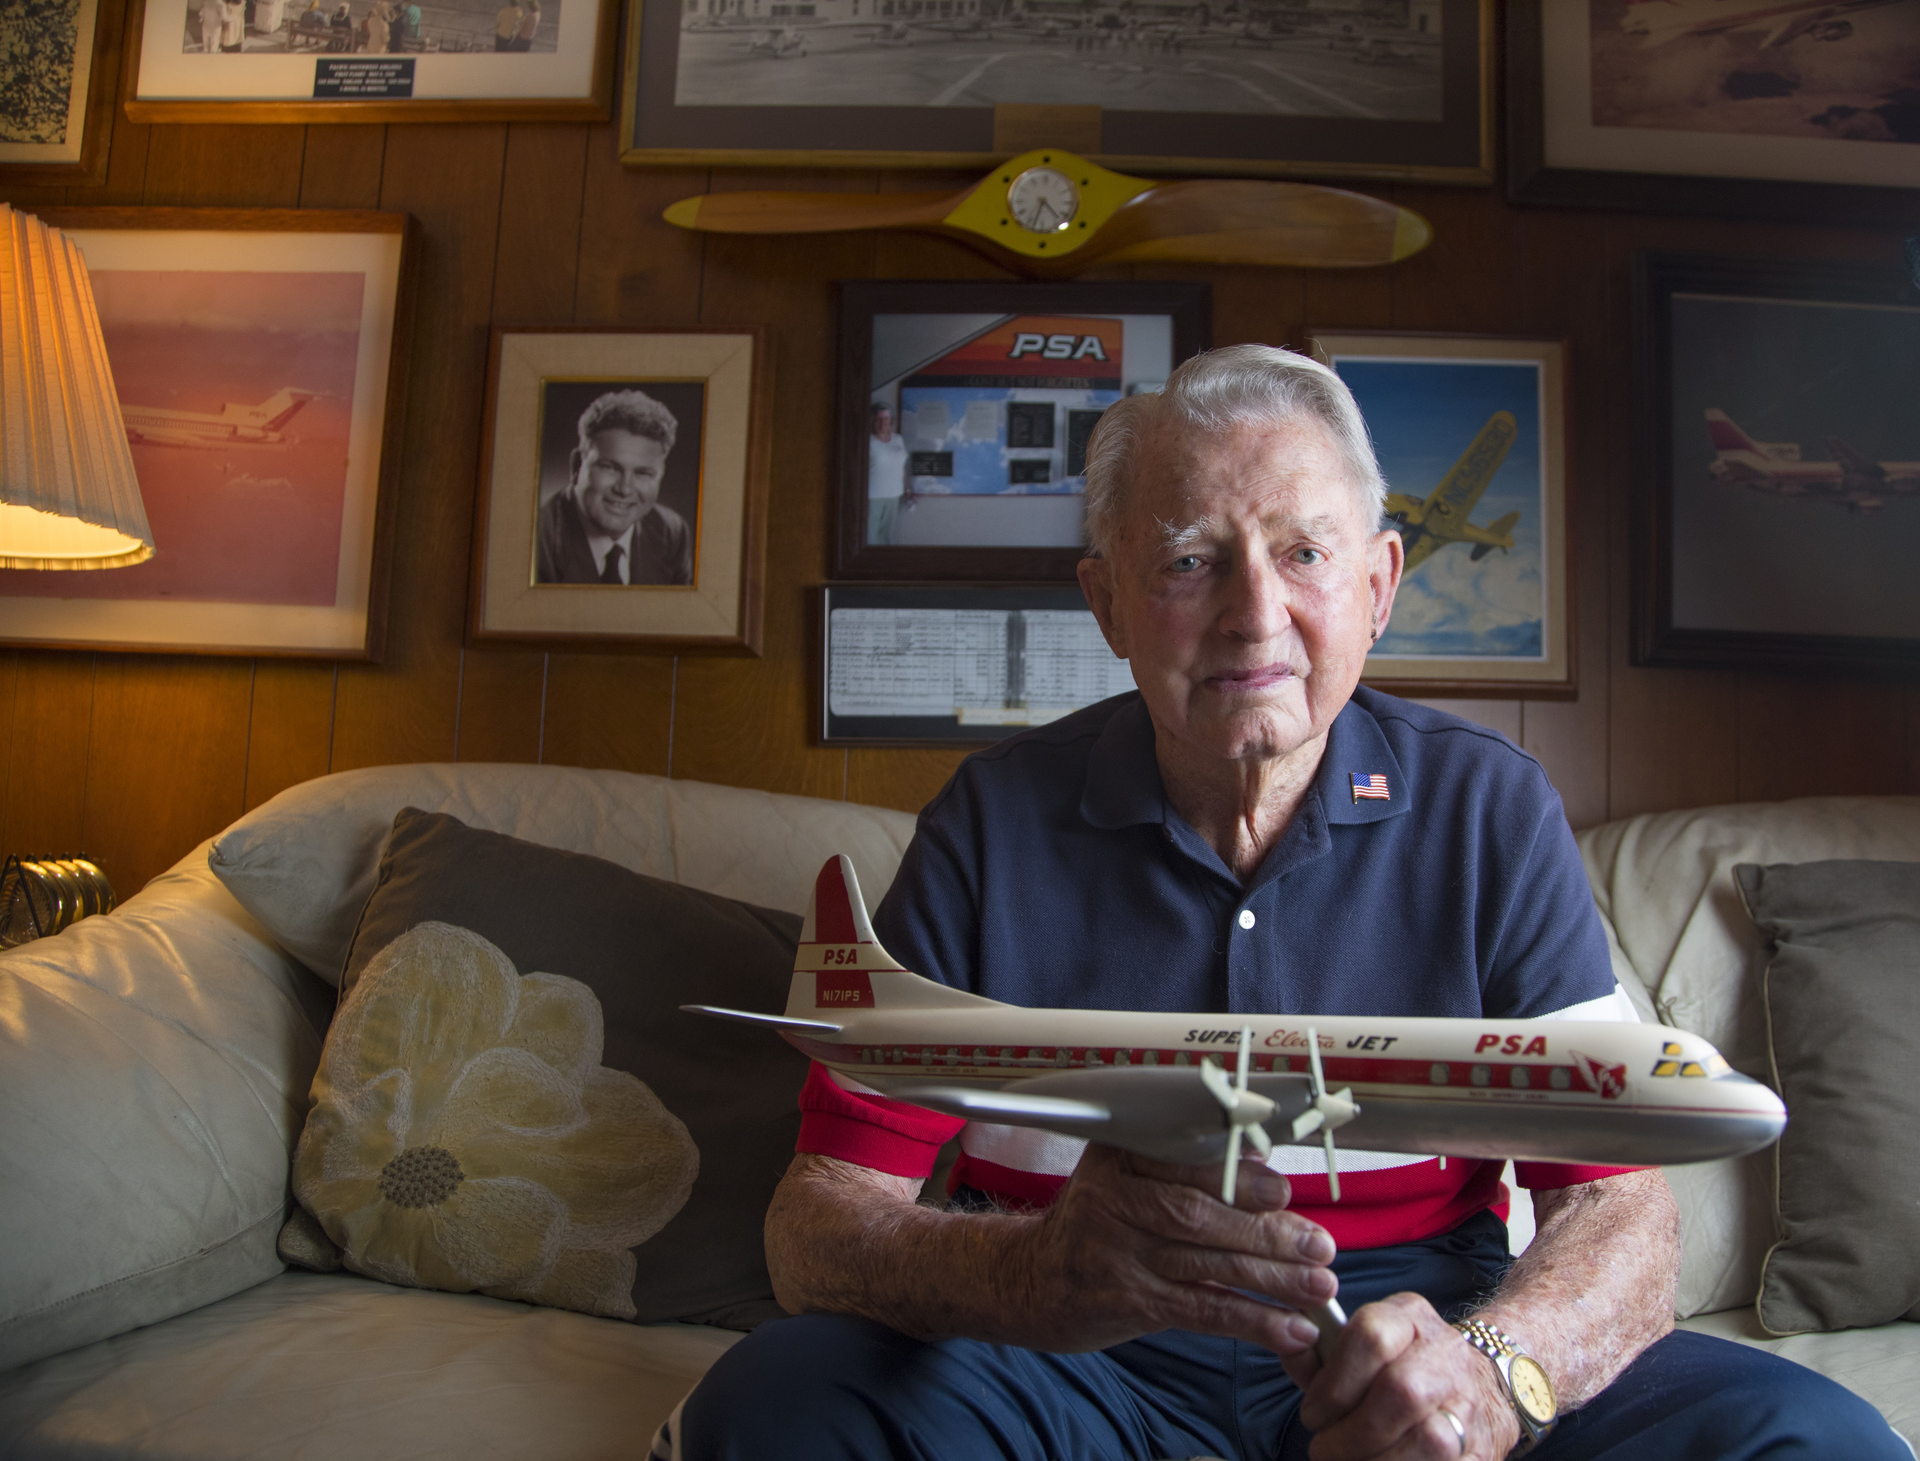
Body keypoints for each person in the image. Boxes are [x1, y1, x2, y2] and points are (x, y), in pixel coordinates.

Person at [678, 346, 1908, 1461]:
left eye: (1304, 554)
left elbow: (1619, 1207)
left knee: (1815, 1442)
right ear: (1106, 602)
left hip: (1419, 1334)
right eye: (1189, 560)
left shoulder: (1489, 811)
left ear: (1378, 586)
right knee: (776, 1407)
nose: (1253, 613)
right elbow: (817, 1221)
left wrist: (1495, 1374)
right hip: (1068, 1355)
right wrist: (1036, 1277)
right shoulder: (991, 825)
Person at [534, 389, 693, 588]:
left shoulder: (672, 533)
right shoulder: (536, 540)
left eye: (643, 472)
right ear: (576, 466)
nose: (625, 489)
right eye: (609, 467)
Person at [866, 401, 909, 546]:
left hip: (894, 495)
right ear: (873, 420)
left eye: (887, 418)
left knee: (888, 536)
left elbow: (903, 466)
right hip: (873, 496)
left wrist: (907, 490)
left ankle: (883, 566)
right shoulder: (868, 441)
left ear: (891, 420)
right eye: (879, 418)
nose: (883, 422)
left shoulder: (898, 439)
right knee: (869, 535)